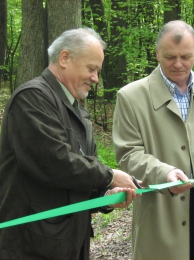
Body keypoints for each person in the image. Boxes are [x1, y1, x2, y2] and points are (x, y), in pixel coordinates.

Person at [112, 20, 194, 260]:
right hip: (160, 222)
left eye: (185, 56)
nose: (177, 64)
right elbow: (128, 153)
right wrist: (163, 174)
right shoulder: (131, 97)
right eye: (169, 57)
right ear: (156, 54)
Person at [0, 28, 138, 260]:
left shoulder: (80, 114)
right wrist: (109, 175)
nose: (95, 78)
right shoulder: (32, 99)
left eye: (97, 70)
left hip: (70, 245)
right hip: (29, 247)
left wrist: (106, 197)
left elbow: (78, 180)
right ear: (64, 58)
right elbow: (55, 163)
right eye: (91, 68)